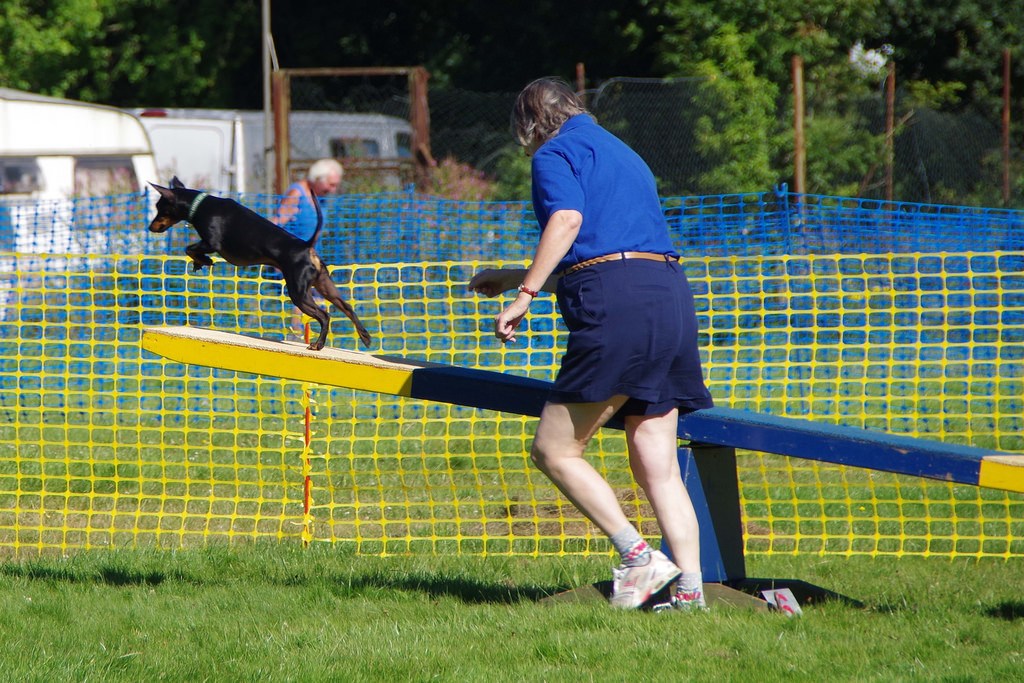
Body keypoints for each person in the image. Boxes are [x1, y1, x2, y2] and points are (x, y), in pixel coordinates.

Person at [468, 78, 715, 611]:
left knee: (554, 449)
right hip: (669, 296)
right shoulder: (623, 152)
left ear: (530, 123)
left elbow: (569, 221)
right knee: (658, 462)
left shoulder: (556, 152)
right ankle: (691, 592)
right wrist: (514, 275)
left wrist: (525, 294)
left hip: (616, 306)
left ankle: (637, 557)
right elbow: (609, 255)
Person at [272, 158, 344, 338]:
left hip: (309, 256)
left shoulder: (321, 198)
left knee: (321, 294)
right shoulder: (297, 193)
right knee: (304, 293)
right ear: (318, 179)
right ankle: (296, 336)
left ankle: (312, 334)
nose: (333, 190)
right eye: (331, 184)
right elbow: (276, 224)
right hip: (290, 255)